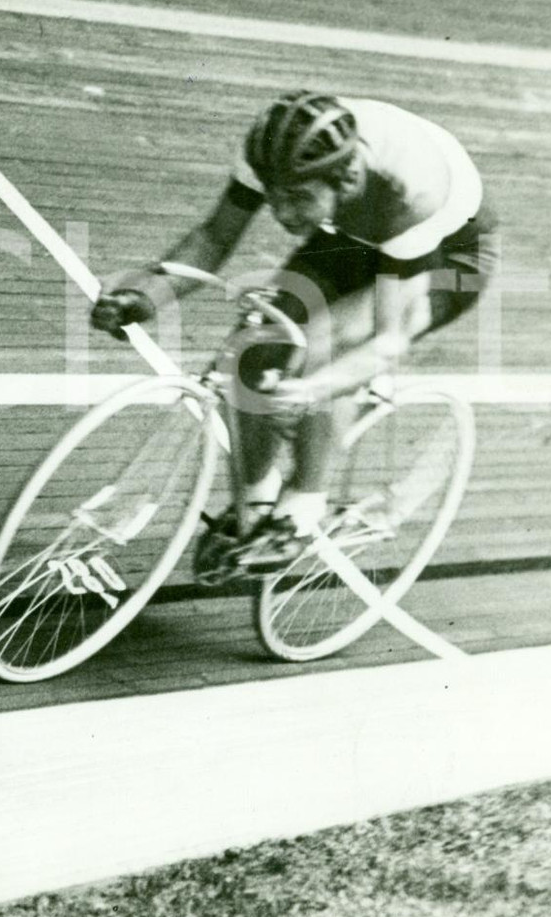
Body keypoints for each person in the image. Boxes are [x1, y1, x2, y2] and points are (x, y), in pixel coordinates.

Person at [91, 90, 498, 574]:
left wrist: (311, 389)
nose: (284, 216)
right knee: (254, 347)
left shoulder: (407, 193)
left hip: (446, 258)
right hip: (349, 231)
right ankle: (257, 505)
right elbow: (214, 238)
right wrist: (143, 297)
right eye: (274, 197)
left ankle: (304, 507)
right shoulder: (275, 155)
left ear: (345, 177)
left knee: (321, 348)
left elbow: (388, 341)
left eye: (298, 199)